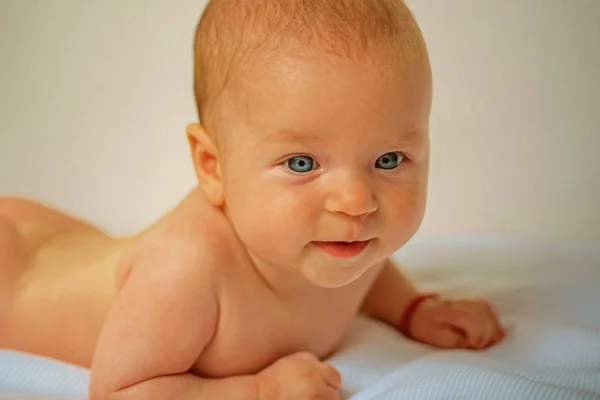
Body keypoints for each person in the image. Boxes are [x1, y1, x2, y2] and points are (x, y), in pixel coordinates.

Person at [0, 1, 505, 399]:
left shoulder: (340, 239)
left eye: (390, 159)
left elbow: (367, 271)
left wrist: (414, 310)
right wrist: (259, 390)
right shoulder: (189, 271)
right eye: (302, 164)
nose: (356, 202)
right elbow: (120, 390)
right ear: (212, 167)